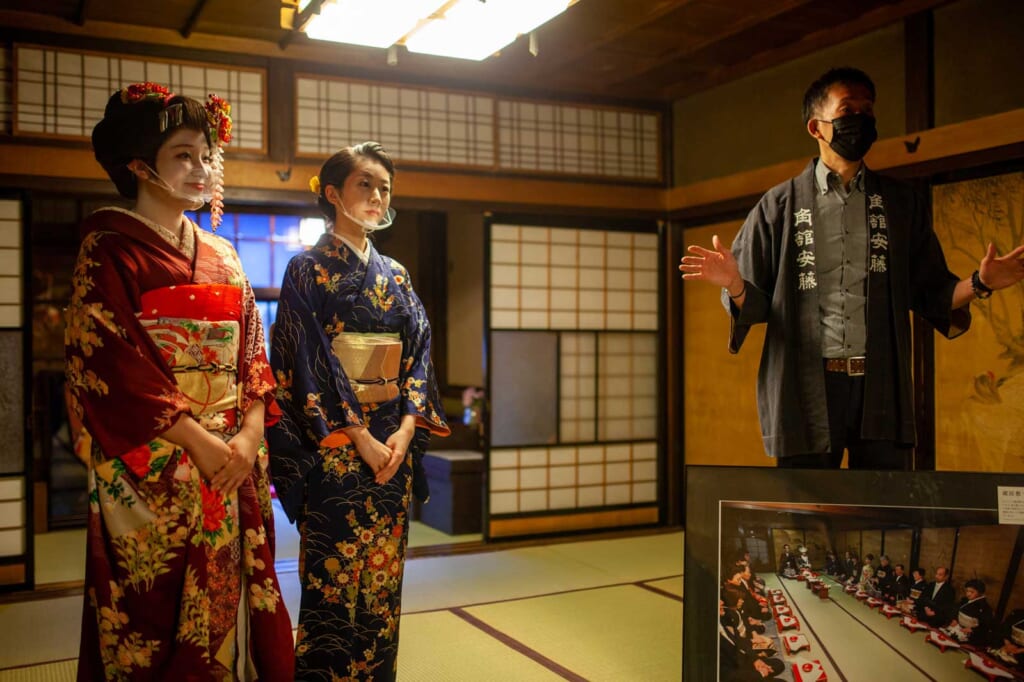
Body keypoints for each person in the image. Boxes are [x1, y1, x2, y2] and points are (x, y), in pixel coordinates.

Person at [679, 67, 1024, 469]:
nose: (860, 119)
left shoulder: (900, 203)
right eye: (847, 109)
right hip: (804, 385)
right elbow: (753, 306)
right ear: (817, 126)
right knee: (808, 521)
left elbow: (932, 291)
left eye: (868, 111)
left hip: (881, 385)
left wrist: (982, 282)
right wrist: (735, 283)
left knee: (883, 519)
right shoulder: (778, 205)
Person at [66, 82, 294, 679]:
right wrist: (201, 442)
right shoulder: (109, 247)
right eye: (184, 155)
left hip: (229, 457)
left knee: (229, 604)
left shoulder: (222, 254)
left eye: (207, 154)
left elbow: (251, 349)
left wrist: (248, 435)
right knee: (150, 611)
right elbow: (110, 360)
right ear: (141, 165)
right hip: (159, 460)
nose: (203, 168)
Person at [268, 141, 450, 681]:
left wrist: (409, 425)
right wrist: (357, 433)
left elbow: (418, 349)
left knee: (382, 578)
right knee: (333, 576)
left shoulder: (395, 272)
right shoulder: (306, 269)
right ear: (333, 194)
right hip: (337, 450)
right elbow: (304, 359)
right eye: (364, 184)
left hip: (392, 446)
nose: (377, 195)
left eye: (384, 187)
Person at [945, 579, 993, 645]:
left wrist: (972, 630)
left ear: (980, 592)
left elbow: (986, 625)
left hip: (971, 634)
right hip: (958, 627)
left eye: (972, 592)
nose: (968, 594)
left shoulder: (985, 607)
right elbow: (955, 609)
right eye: (967, 591)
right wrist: (955, 619)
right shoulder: (965, 601)